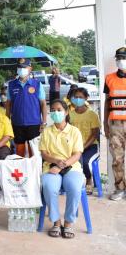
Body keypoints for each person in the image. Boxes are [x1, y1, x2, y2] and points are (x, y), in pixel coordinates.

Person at [40, 100, 84, 239]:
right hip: (51, 166)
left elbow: (77, 154)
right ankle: (56, 222)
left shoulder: (74, 131)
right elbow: (44, 154)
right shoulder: (47, 131)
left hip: (71, 167)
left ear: (66, 112)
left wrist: (62, 166)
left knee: (75, 187)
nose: (56, 112)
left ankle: (69, 223)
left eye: (59, 109)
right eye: (53, 110)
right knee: (49, 187)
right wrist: (56, 162)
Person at [6, 58, 48, 158]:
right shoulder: (11, 85)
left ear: (30, 69)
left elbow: (43, 104)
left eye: (24, 67)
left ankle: (33, 173)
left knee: (33, 153)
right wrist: (7, 122)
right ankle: (21, 172)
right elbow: (8, 104)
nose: (21, 69)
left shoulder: (37, 84)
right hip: (17, 123)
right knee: (19, 153)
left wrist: (44, 121)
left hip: (34, 123)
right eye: (19, 67)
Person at [104, 47, 126, 201]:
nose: (121, 60)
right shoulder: (109, 78)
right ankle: (120, 188)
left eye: (123, 57)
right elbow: (107, 102)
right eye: (119, 58)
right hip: (115, 124)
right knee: (117, 158)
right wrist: (105, 124)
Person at [69, 88, 100, 195]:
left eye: (81, 97)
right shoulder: (70, 115)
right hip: (74, 147)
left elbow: (95, 134)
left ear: (86, 98)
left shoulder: (92, 115)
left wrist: (83, 147)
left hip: (91, 146)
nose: (78, 99)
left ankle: (88, 179)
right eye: (76, 97)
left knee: (85, 162)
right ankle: (71, 184)